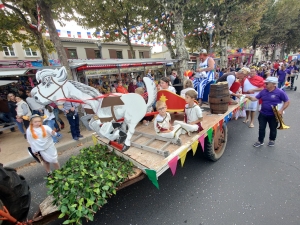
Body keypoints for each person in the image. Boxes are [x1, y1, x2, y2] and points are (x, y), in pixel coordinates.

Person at [244, 77, 290, 147]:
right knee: (261, 128)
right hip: (263, 113)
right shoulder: (263, 91)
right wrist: (248, 97)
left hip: (274, 114)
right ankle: (260, 141)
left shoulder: (280, 92)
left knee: (273, 128)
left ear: (274, 84)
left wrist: (281, 110)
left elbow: (287, 102)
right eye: (265, 83)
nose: (265, 84)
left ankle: (272, 140)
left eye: (267, 83)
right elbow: (255, 99)